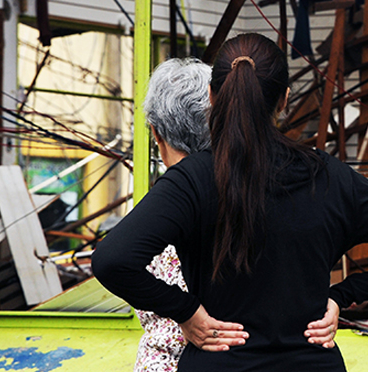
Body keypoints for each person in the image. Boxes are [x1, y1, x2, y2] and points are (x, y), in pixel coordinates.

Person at [93, 33, 368, 372]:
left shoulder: (194, 179)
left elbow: (113, 260)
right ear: (285, 99)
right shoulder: (328, 176)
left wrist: (187, 312)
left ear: (211, 96)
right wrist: (342, 296)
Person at [130, 57, 338, 372]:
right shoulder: (265, 197)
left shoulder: (155, 215)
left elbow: (113, 262)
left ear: (155, 133)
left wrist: (186, 314)